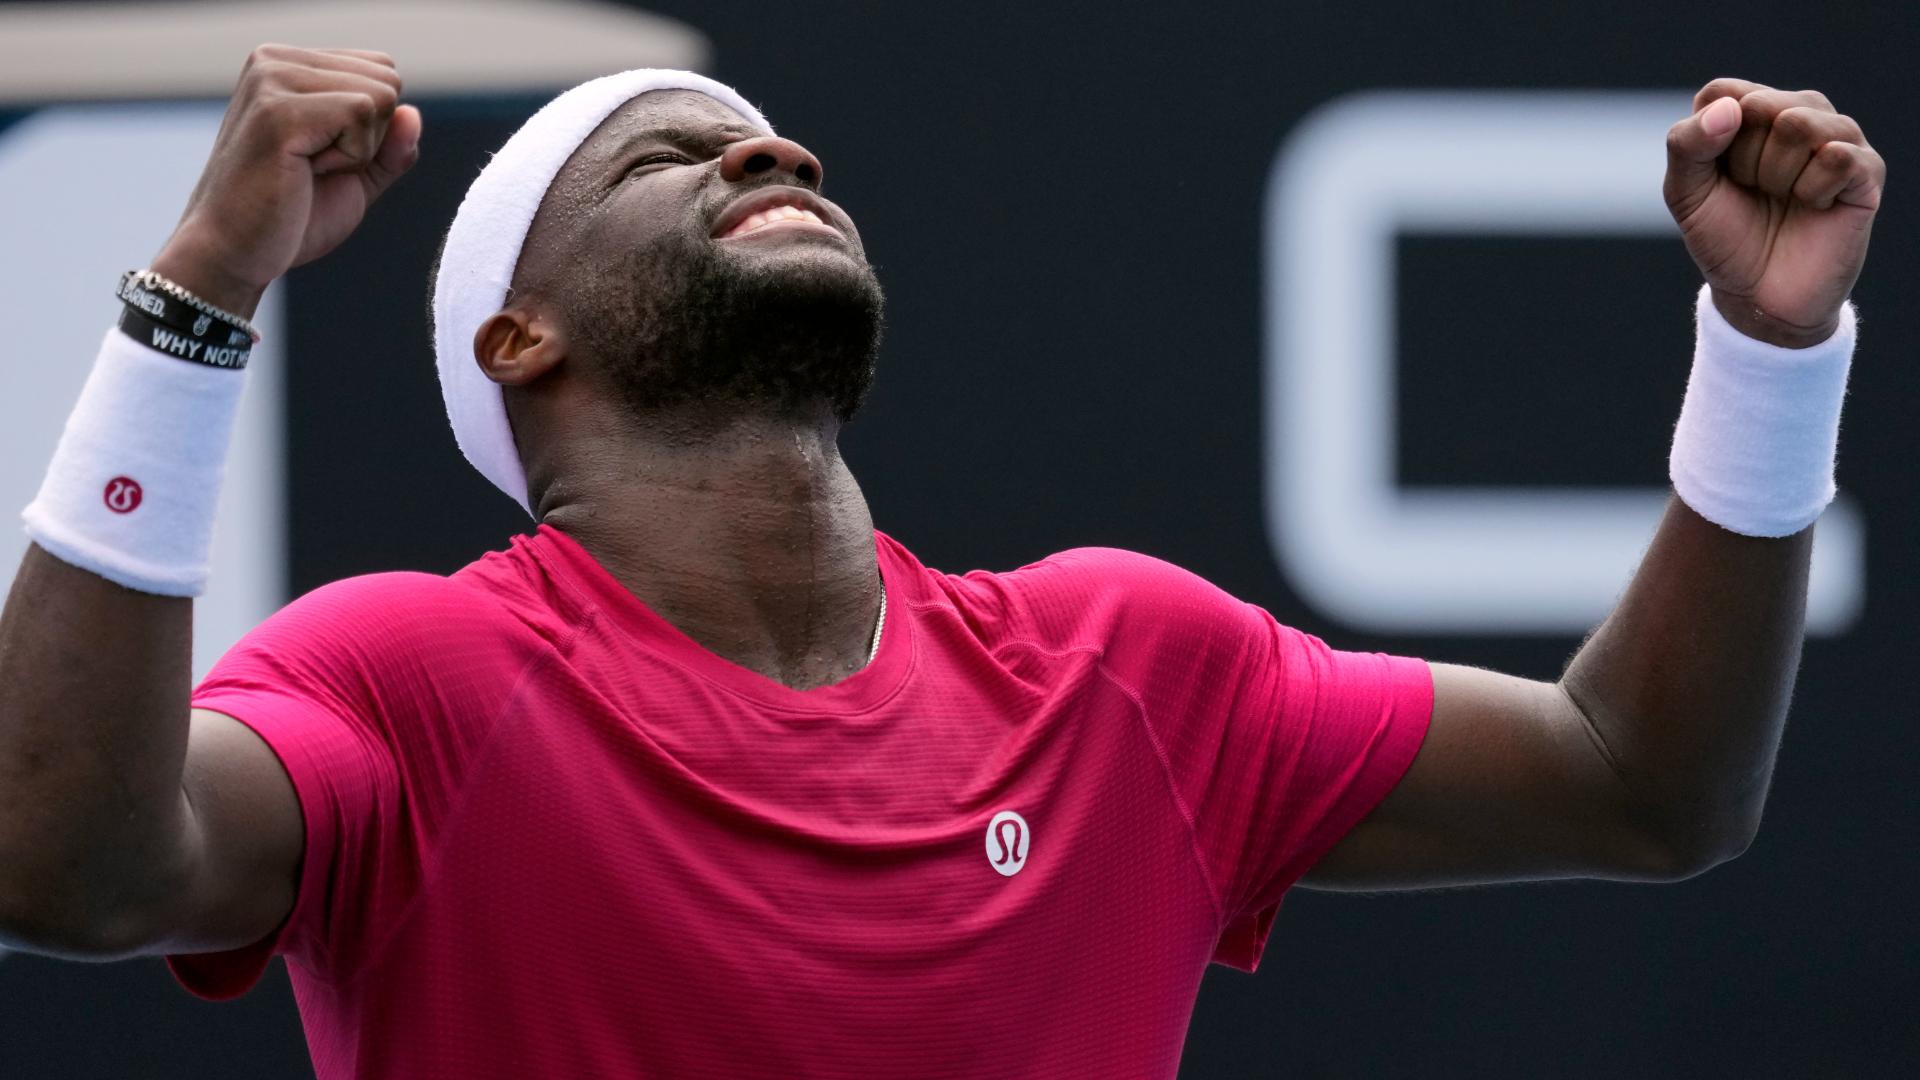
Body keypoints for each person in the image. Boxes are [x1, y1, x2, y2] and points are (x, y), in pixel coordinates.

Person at [0, 44, 1883, 1079]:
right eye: (669, 158)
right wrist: (199, 298)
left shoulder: (1129, 668)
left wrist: (1774, 359)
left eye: (773, 143)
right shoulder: (408, 687)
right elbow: (61, 863)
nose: (770, 151)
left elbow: (1652, 786)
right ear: (521, 342)